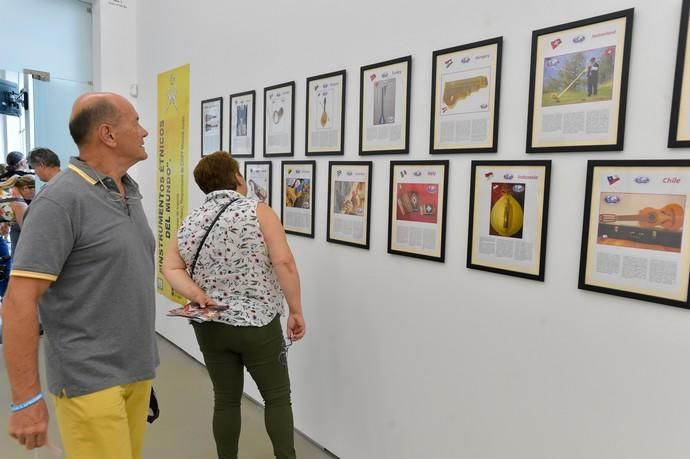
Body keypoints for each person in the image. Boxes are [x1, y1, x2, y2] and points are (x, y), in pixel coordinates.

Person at [2, 92, 158, 458]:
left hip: (135, 372)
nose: (145, 131)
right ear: (108, 134)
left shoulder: (128, 193)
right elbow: (18, 302)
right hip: (89, 380)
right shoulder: (60, 201)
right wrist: (26, 399)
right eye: (136, 122)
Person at [162, 151, 306, 459]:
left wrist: (198, 295)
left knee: (225, 399)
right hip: (258, 324)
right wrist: (295, 309)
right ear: (238, 178)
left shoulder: (191, 220)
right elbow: (284, 262)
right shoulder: (258, 211)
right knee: (277, 398)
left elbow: (170, 267)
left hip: (211, 324)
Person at [0, 175, 35, 293]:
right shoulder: (19, 203)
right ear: (26, 188)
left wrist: (5, 223)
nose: (35, 195)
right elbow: (27, 232)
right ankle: (7, 298)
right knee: (5, 264)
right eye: (34, 190)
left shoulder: (6, 190)